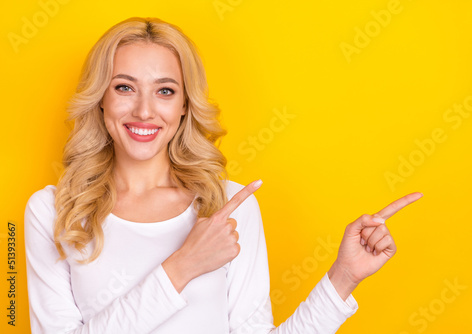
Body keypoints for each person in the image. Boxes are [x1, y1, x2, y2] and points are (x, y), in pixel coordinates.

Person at [24, 16, 423, 333]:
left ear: (184, 106)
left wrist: (343, 277)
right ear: (100, 100)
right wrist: (182, 266)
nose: (145, 111)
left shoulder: (226, 207)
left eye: (165, 91)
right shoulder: (52, 211)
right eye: (124, 87)